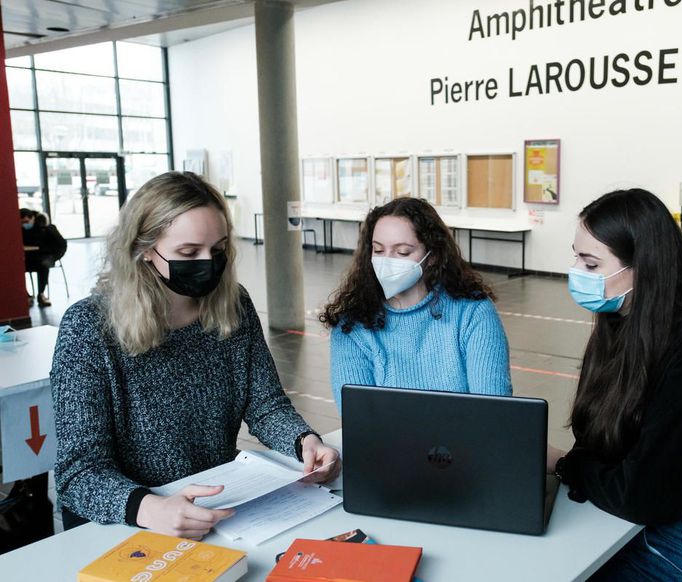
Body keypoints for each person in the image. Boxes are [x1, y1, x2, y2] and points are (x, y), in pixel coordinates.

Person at [51, 171, 340, 538]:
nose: (208, 263)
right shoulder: (89, 327)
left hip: (217, 506)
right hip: (129, 523)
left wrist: (304, 442)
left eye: (218, 250)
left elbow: (266, 405)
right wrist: (149, 508)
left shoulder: (233, 305)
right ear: (143, 250)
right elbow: (78, 472)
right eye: (188, 253)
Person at [548, 189, 682, 581]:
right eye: (577, 256)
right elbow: (601, 440)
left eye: (591, 263)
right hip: (622, 521)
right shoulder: (621, 324)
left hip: (677, 545)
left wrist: (565, 464)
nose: (576, 270)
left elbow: (644, 493)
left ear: (643, 266)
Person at [320, 197, 512, 411]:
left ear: (432, 256)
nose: (387, 261)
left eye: (402, 252)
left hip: (464, 443)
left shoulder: (473, 312)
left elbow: (492, 409)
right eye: (378, 250)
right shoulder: (351, 325)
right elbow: (361, 416)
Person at [21, 208, 67, 307]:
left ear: (33, 218)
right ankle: (26, 295)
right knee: (14, 268)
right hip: (27, 259)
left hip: (44, 258)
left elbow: (61, 244)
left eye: (27, 222)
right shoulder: (18, 230)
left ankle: (41, 294)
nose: (25, 224)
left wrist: (53, 257)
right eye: (22, 222)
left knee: (43, 265)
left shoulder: (45, 228)